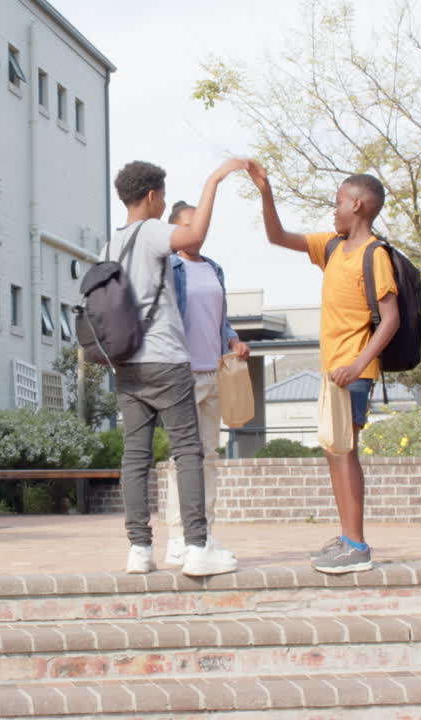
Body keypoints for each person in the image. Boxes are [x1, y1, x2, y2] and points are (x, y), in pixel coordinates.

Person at [245, 162, 400, 574]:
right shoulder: (332, 246)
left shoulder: (374, 255)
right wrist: (265, 191)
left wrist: (358, 363)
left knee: (345, 453)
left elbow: (391, 319)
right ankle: (348, 538)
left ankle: (358, 546)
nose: (333, 210)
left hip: (354, 374)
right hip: (334, 374)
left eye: (337, 202)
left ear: (358, 204)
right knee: (336, 452)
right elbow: (277, 236)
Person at [104, 159, 246, 577]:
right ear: (151, 196)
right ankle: (197, 547)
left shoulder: (110, 243)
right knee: (188, 451)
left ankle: (139, 550)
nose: (163, 202)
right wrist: (214, 179)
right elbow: (195, 234)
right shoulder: (150, 231)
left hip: (127, 364)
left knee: (135, 456)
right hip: (165, 359)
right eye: (162, 195)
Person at [161, 200, 250, 567]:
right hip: (182, 373)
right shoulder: (169, 267)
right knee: (182, 458)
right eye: (188, 225)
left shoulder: (214, 269)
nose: (196, 231)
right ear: (174, 230)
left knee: (209, 457)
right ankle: (178, 537)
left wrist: (233, 340)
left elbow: (220, 319)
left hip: (214, 372)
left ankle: (205, 533)